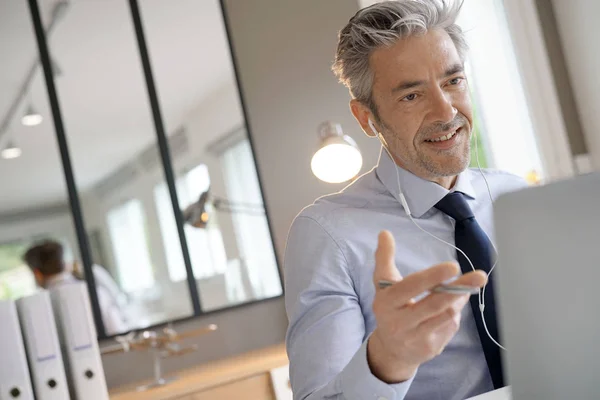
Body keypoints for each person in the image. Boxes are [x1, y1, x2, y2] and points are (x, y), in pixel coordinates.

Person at [284, 1, 528, 399]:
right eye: (412, 96)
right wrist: (388, 360)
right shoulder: (328, 235)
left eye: (453, 81)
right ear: (367, 119)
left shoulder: (516, 195)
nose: (446, 110)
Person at [23, 240, 128, 336]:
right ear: (64, 264)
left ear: (37, 273)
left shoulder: (41, 307)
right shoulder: (94, 291)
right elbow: (116, 330)